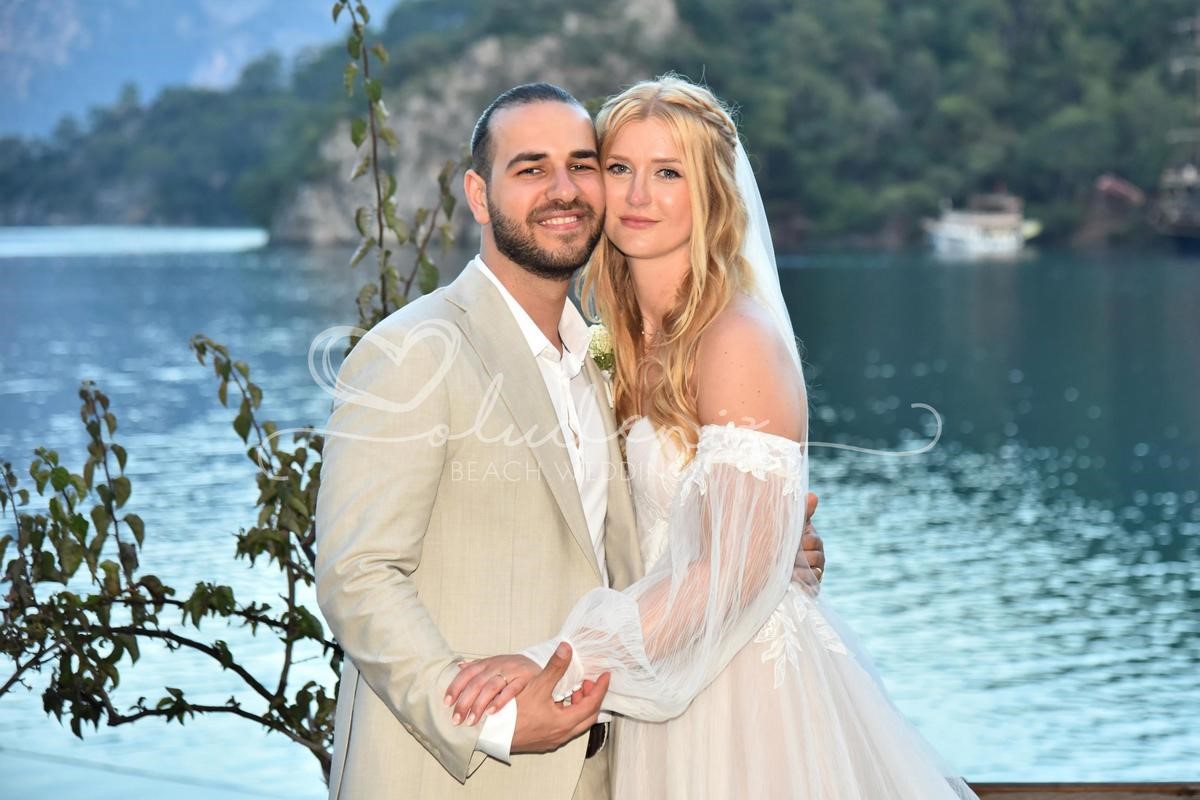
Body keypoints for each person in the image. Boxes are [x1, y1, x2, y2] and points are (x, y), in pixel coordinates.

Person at [446, 76, 979, 799]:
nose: (638, 195)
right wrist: (772, 542)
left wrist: (557, 658)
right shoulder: (616, 343)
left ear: (712, 196)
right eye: (620, 168)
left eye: (669, 173)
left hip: (741, 697)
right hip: (660, 681)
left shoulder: (736, 340)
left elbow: (733, 571)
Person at [313, 82, 826, 799]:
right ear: (478, 194)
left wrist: (759, 550)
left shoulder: (601, 358)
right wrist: (486, 719)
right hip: (458, 777)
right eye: (531, 168)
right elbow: (357, 574)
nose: (564, 189)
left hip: (625, 760)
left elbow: (645, 538)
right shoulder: (414, 352)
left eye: (582, 165)